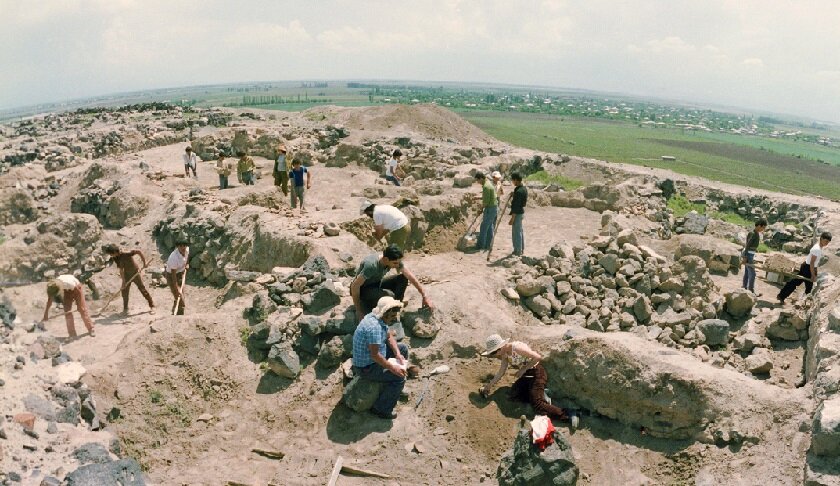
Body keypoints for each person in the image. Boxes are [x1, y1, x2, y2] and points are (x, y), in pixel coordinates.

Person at [480, 334, 569, 421]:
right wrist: (489, 386)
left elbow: (537, 357)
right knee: (514, 394)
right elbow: (501, 372)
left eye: (494, 352)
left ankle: (568, 414)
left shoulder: (517, 348)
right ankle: (540, 395)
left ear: (500, 347)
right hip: (527, 375)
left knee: (537, 405)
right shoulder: (505, 353)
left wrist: (523, 369)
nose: (495, 354)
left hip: (537, 373)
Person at [352, 296, 409, 419]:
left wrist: (398, 354)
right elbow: (375, 356)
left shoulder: (376, 318)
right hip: (367, 367)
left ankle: (394, 389)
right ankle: (381, 409)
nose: (395, 318)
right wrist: (393, 368)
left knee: (403, 348)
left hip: (373, 357)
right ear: (385, 313)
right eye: (393, 316)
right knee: (399, 378)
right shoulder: (374, 328)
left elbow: (389, 336)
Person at [349, 244, 433, 323]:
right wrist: (358, 310)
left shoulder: (391, 259)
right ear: (386, 259)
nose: (397, 265)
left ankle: (395, 308)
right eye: (395, 263)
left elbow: (409, 275)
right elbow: (354, 286)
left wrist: (424, 295)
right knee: (390, 295)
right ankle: (386, 311)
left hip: (376, 284)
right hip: (363, 290)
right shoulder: (371, 265)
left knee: (403, 278)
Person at [777, 232, 832, 304]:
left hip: (807, 266)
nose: (826, 243)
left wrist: (815, 272)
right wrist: (813, 275)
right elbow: (812, 263)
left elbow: (814, 263)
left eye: (828, 242)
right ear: (821, 238)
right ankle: (805, 303)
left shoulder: (819, 247)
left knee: (795, 282)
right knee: (808, 287)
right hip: (808, 268)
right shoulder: (817, 249)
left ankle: (781, 296)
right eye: (826, 241)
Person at [103, 244, 155, 315]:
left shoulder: (126, 253)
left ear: (115, 252)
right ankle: (125, 309)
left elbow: (139, 252)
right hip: (126, 275)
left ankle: (152, 306)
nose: (111, 256)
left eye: (111, 254)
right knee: (124, 291)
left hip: (135, 273)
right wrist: (124, 281)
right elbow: (121, 270)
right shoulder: (116, 258)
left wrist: (144, 263)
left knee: (142, 289)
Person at [741, 219, 767, 293]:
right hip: (748, 254)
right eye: (763, 227)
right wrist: (745, 257)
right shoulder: (753, 233)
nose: (763, 229)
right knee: (752, 273)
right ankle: (751, 290)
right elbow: (748, 245)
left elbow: (752, 245)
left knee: (747, 272)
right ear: (759, 226)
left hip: (750, 254)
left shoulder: (756, 233)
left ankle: (744, 288)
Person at [474, 172, 498, 251]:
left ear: (481, 178)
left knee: (484, 226)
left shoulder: (486, 187)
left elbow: (486, 202)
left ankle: (480, 245)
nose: (478, 182)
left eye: (478, 180)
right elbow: (486, 197)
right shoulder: (488, 184)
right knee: (490, 226)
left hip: (490, 208)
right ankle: (488, 244)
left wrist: (480, 209)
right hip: (493, 207)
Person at [166, 241, 189, 315]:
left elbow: (187, 257)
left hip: (181, 273)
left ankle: (178, 311)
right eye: (181, 246)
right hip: (171, 276)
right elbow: (173, 275)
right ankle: (178, 315)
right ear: (177, 247)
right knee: (180, 296)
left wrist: (187, 264)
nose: (183, 247)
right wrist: (176, 288)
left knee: (181, 295)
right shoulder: (173, 257)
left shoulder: (187, 250)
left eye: (184, 245)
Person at [508, 172, 528, 257]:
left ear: (516, 180)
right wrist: (514, 194)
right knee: (519, 231)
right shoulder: (522, 189)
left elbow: (516, 206)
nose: (512, 182)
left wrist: (512, 218)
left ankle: (517, 250)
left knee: (516, 232)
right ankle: (520, 249)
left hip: (517, 214)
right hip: (520, 213)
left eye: (513, 180)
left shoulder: (519, 191)